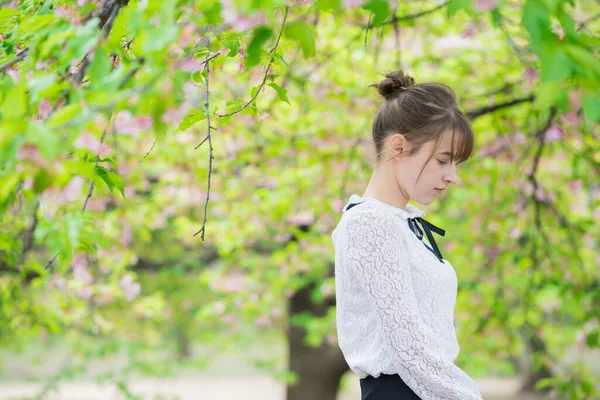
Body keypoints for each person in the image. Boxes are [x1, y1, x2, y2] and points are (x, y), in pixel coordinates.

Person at [331, 70, 483, 400]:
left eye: (456, 164)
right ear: (398, 146)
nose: (453, 177)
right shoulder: (369, 223)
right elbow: (411, 349)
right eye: (443, 160)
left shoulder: (401, 223)